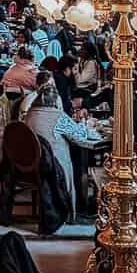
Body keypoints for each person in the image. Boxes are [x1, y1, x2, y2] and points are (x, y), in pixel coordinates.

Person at [23, 79, 97, 220]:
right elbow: (79, 137)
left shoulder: (29, 114)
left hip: (30, 164)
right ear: (56, 101)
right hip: (54, 166)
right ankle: (76, 207)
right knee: (77, 162)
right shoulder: (59, 117)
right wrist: (85, 124)